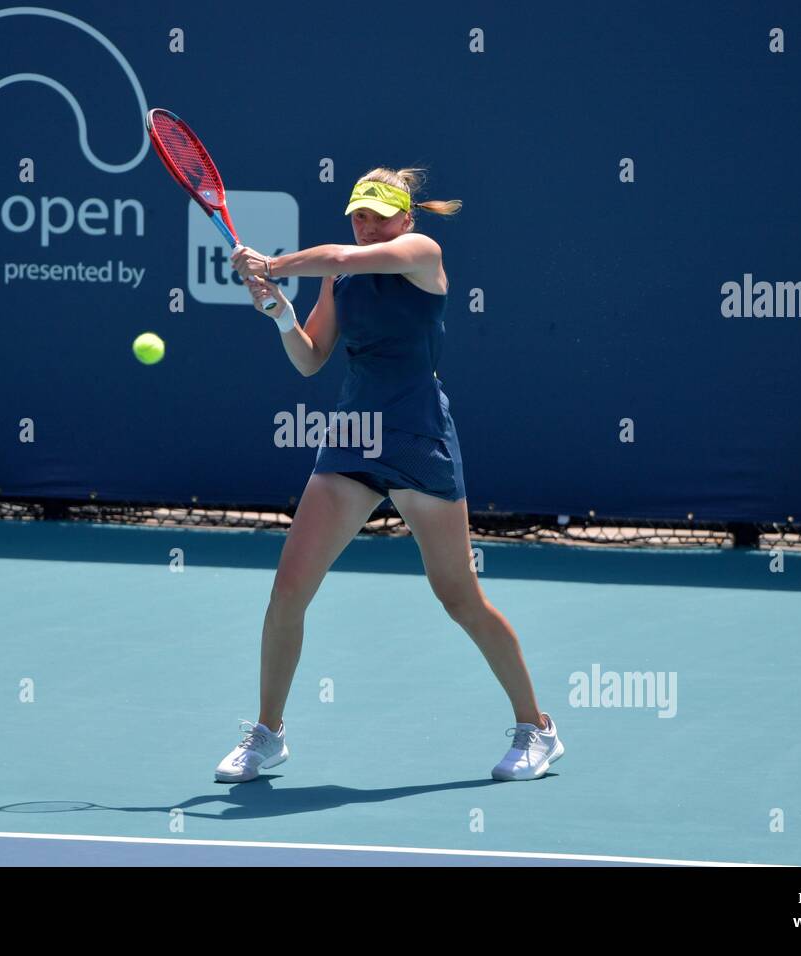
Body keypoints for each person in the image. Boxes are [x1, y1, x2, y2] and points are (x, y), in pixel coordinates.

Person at [214, 168, 563, 783]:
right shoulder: (339, 276)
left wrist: (274, 262)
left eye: (380, 214)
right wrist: (278, 312)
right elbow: (310, 359)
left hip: (418, 441)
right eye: (359, 214)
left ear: (406, 219)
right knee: (288, 590)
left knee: (459, 597)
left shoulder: (422, 254)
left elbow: (345, 254)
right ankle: (268, 734)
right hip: (351, 443)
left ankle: (537, 728)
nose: (367, 225)